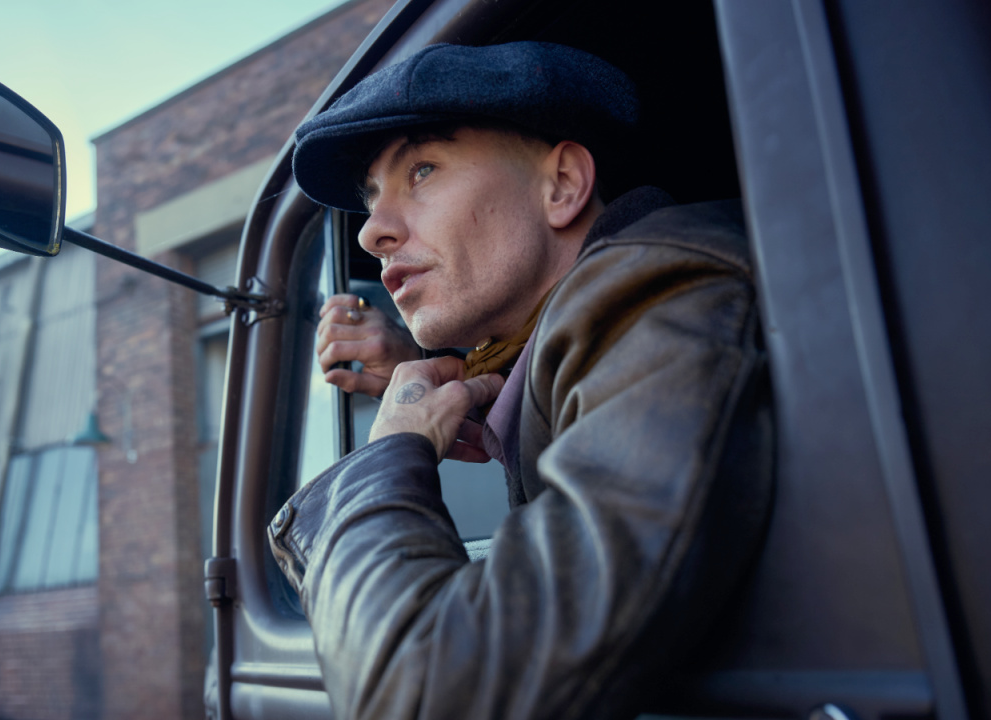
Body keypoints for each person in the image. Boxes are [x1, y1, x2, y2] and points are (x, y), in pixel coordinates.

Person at [268, 42, 774, 719]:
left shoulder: (662, 299)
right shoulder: (621, 311)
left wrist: (389, 452)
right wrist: (477, 379)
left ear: (562, 184)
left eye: (422, 169)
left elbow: (432, 692)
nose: (370, 234)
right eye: (371, 199)